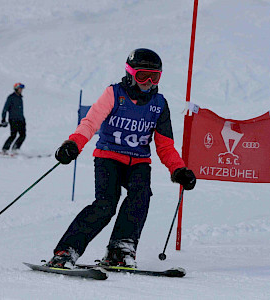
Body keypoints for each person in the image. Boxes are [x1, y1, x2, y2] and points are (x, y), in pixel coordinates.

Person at [47, 48, 197, 269]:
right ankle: (66, 251)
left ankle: (121, 248)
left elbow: (165, 145)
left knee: (141, 196)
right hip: (109, 157)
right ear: (130, 74)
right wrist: (73, 144)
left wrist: (179, 169)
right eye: (142, 76)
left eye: (154, 77)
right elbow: (90, 123)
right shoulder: (114, 94)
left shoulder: (159, 104)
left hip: (138, 162)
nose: (148, 82)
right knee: (105, 205)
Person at [0, 83, 26, 154]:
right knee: (13, 135)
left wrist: (23, 119)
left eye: (22, 89)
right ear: (16, 89)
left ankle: (15, 149)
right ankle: (5, 149)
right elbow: (5, 109)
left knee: (23, 135)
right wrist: (3, 119)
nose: (21, 90)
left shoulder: (20, 98)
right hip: (13, 119)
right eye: (20, 89)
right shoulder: (11, 97)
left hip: (21, 119)